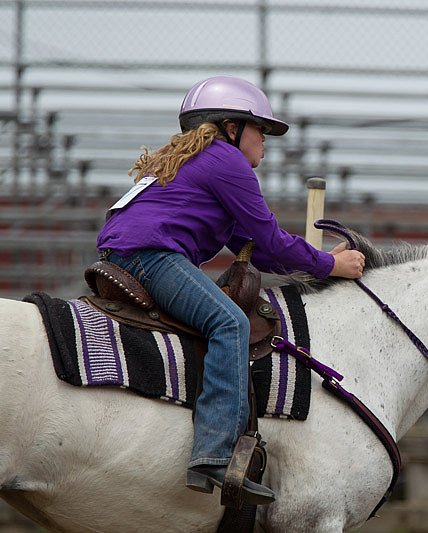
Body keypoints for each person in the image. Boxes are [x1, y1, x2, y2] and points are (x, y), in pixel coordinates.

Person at [96, 75, 365, 505]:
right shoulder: (225, 160)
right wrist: (334, 263)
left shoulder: (194, 160)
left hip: (124, 254)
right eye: (260, 129)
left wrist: (317, 268)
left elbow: (258, 250)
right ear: (231, 126)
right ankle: (215, 455)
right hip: (153, 256)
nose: (264, 142)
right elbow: (273, 239)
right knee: (229, 323)